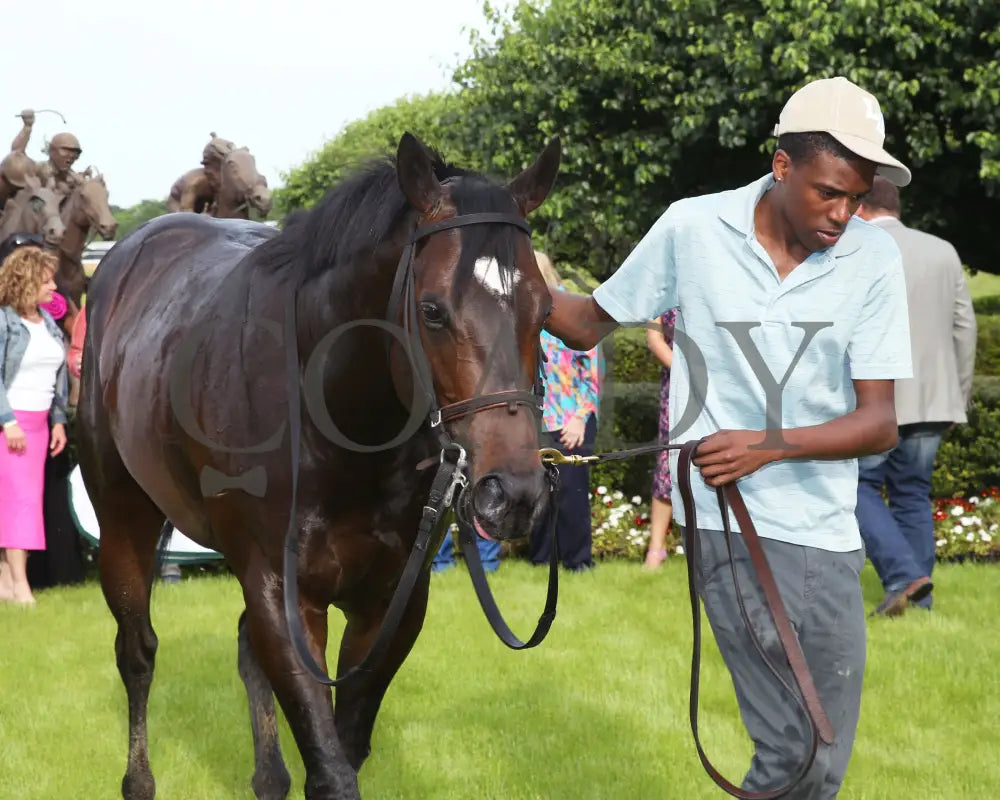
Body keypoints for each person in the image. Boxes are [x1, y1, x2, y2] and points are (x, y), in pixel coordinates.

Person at [543, 76, 913, 797]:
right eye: (828, 192)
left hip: (827, 532)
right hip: (727, 524)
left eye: (856, 195)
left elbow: (880, 423)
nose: (843, 214)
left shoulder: (873, 258)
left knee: (824, 762)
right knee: (790, 751)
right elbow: (589, 320)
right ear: (782, 167)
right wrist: (498, 275)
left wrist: (767, 443)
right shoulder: (692, 227)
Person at [854, 177, 978, 616]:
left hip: (874, 400)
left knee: (857, 487)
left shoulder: (857, 249)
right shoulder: (943, 250)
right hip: (932, 399)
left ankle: (904, 578)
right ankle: (917, 594)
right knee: (912, 493)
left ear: (860, 206)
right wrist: (957, 396)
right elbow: (965, 328)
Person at [0, 245, 69, 605]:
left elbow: (57, 380)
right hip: (9, 427)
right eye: (46, 281)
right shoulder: (4, 323)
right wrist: (7, 421)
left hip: (40, 426)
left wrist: (58, 421)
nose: (53, 287)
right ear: (26, 281)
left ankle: (7, 583)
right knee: (19, 503)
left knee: (22, 502)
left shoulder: (49, 324)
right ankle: (20, 586)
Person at [530, 252, 602, 572]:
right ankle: (542, 558)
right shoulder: (523, 314)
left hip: (573, 419)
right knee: (539, 492)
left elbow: (591, 375)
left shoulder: (574, 312)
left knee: (571, 494)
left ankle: (578, 561)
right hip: (537, 419)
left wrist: (579, 417)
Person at [643, 308, 677, 570]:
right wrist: (688, 374)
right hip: (677, 388)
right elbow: (655, 339)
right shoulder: (664, 291)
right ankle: (656, 550)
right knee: (667, 463)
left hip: (725, 386)